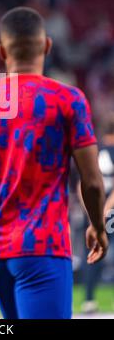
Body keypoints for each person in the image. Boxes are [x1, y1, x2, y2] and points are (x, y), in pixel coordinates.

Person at [0, 6, 108, 319]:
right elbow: (91, 181)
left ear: (0, 51)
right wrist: (97, 226)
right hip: (43, 246)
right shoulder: (67, 99)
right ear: (47, 45)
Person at [80, 115, 114, 314]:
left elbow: (81, 184)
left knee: (92, 254)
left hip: (93, 211)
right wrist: (107, 209)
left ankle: (89, 300)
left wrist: (91, 210)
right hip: (110, 210)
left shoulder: (93, 152)